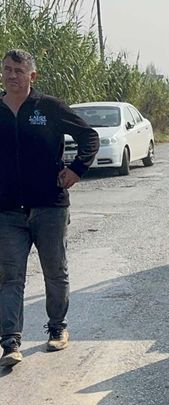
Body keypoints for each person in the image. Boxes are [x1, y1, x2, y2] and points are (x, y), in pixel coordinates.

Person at [0, 49, 99, 368]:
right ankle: (10, 341)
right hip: (7, 211)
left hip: (50, 207)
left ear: (32, 76)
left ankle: (57, 328)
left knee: (54, 270)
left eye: (18, 70)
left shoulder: (50, 108)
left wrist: (76, 170)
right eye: (7, 70)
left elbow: (89, 137)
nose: (11, 75)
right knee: (9, 276)